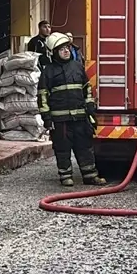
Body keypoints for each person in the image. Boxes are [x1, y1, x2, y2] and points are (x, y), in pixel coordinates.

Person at [38, 32, 106, 187]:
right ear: (54, 53)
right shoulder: (48, 71)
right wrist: (47, 119)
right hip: (60, 119)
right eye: (61, 49)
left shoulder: (77, 66)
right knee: (62, 148)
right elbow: (43, 96)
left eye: (67, 47)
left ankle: (90, 175)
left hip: (80, 117)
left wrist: (90, 107)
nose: (66, 51)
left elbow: (86, 88)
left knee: (85, 146)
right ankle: (65, 176)